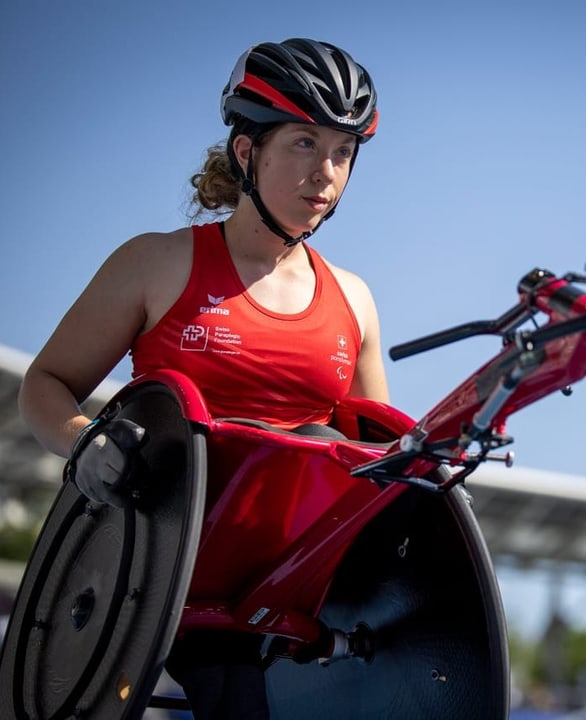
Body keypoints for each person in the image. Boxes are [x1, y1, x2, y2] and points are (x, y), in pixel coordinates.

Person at [17, 38, 388, 718]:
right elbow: (44, 383)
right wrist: (83, 441)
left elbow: (373, 465)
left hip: (280, 594)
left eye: (342, 152)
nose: (326, 173)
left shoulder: (355, 301)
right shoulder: (156, 264)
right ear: (247, 153)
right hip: (153, 567)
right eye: (304, 143)